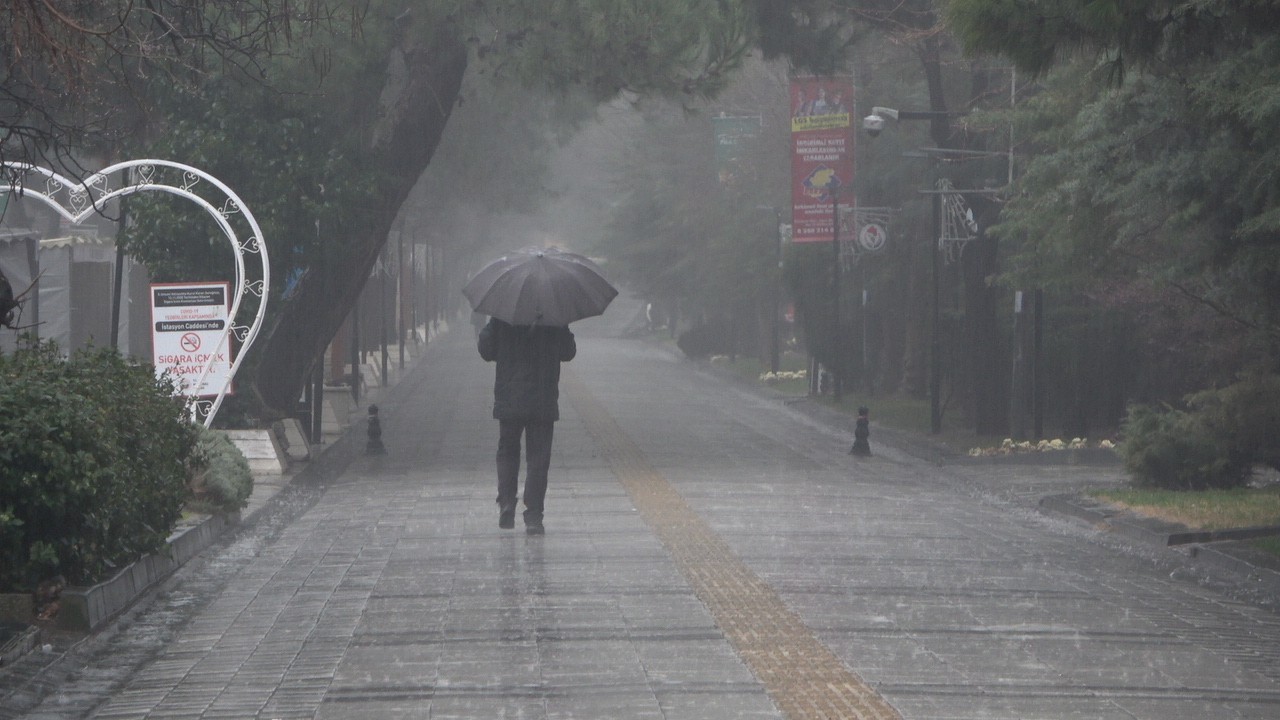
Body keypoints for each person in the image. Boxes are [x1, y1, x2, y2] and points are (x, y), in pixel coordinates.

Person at [478, 317, 577, 534]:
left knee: (508, 451)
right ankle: (533, 515)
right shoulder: (553, 316)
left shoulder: (504, 315)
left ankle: (506, 501)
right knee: (538, 458)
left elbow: (486, 349)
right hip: (543, 398)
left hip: (510, 397)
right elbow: (568, 352)